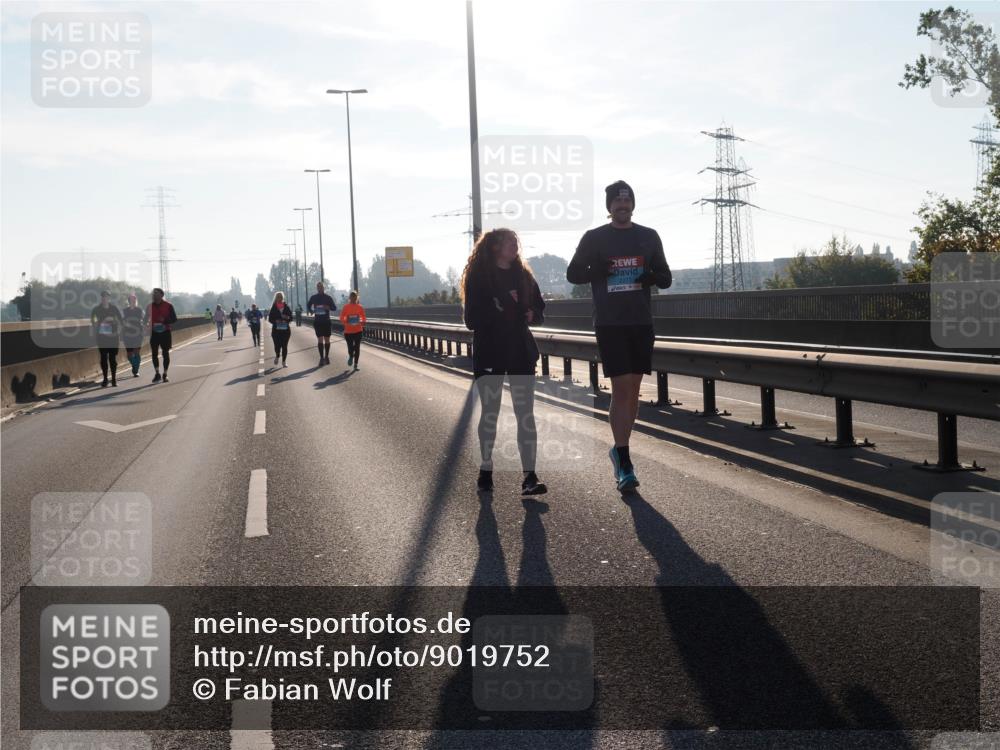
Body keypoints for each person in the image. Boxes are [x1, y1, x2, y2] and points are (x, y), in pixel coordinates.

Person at [566, 180, 671, 492]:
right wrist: (594, 271)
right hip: (610, 323)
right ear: (609, 206)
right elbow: (573, 274)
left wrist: (652, 276)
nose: (622, 207)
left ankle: (619, 449)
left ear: (632, 205)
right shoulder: (594, 238)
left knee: (633, 390)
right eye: (617, 203)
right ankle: (624, 458)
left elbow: (666, 277)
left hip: (640, 322)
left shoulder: (648, 237)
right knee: (621, 388)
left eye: (627, 202)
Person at [462, 228, 547, 496]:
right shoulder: (480, 277)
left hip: (520, 351)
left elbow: (541, 311)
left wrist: (534, 314)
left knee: (525, 415)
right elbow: (471, 321)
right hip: (490, 351)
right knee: (490, 413)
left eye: (516, 241)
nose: (515, 245)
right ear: (495, 247)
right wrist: (495, 310)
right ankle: (485, 471)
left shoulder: (523, 276)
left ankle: (529, 477)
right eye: (509, 241)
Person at [145, 287, 178, 383]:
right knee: (154, 354)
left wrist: (165, 320)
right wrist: (146, 324)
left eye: (156, 294)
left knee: (165, 353)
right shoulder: (149, 306)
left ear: (161, 295)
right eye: (153, 294)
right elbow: (145, 319)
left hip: (165, 333)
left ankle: (165, 374)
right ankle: (157, 373)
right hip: (154, 333)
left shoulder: (168, 306)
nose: (154, 296)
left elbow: (174, 319)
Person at [91, 290, 123, 388]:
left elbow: (120, 319)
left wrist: (117, 328)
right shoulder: (96, 309)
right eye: (103, 296)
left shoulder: (114, 308)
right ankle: (105, 379)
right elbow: (93, 318)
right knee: (103, 358)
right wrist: (96, 324)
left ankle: (113, 379)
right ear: (101, 298)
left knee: (113, 359)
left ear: (109, 298)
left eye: (107, 296)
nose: (105, 298)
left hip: (113, 337)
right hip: (102, 337)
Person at [306, 281, 337, 366]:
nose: (320, 288)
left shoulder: (328, 298)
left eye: (321, 287)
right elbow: (308, 305)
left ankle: (327, 356)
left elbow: (334, 308)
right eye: (318, 287)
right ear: (317, 288)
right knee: (320, 339)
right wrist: (311, 311)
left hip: (326, 321)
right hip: (318, 321)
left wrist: (328, 307)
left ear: (324, 288)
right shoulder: (314, 297)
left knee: (327, 340)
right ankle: (321, 358)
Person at [339, 290, 367, 371]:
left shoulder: (360, 307)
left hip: (358, 330)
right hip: (348, 331)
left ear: (357, 297)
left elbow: (364, 317)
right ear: (350, 298)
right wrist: (346, 320)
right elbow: (341, 317)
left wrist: (363, 322)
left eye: (355, 297)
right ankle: (351, 356)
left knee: (357, 347)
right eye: (352, 297)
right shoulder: (346, 307)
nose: (353, 298)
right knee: (350, 348)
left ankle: (356, 364)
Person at [122, 292, 145, 377]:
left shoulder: (140, 310)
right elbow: (121, 321)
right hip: (127, 335)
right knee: (129, 354)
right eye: (131, 300)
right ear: (128, 301)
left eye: (134, 300)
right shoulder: (124, 311)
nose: (133, 301)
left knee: (137, 352)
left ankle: (136, 370)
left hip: (138, 335)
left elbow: (144, 320)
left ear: (136, 301)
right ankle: (134, 365)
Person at [268, 291, 293, 367]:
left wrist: (287, 318)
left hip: (285, 331)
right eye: (278, 297)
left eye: (280, 297)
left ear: (282, 298)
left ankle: (284, 362)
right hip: (276, 331)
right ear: (276, 298)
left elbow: (291, 317)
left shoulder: (286, 306)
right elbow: (270, 319)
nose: (279, 298)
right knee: (277, 346)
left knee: (284, 346)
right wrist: (276, 321)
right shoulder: (274, 307)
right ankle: (277, 356)